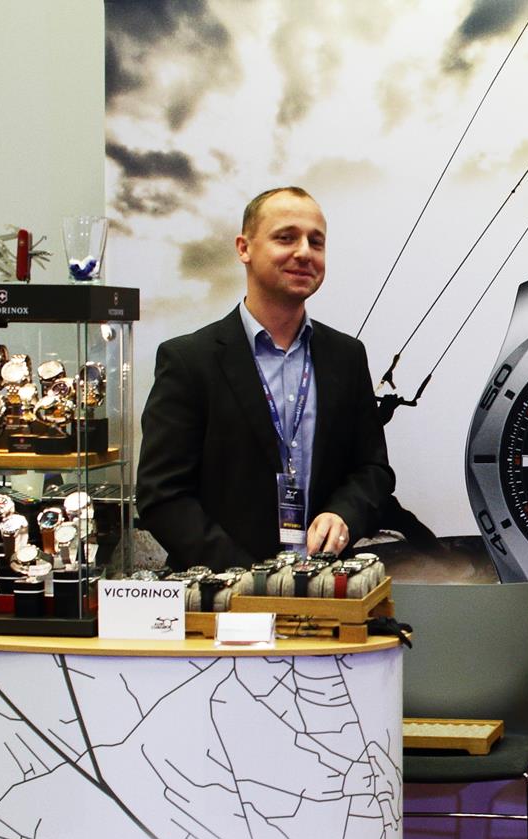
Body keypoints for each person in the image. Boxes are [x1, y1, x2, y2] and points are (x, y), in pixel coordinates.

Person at [137, 186, 395, 570]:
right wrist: (250, 580)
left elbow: (372, 471)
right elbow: (162, 496)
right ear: (244, 248)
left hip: (323, 584)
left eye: (316, 242)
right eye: (286, 238)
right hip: (223, 591)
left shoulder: (346, 356)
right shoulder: (189, 361)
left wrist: (344, 515)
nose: (304, 252)